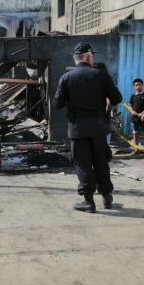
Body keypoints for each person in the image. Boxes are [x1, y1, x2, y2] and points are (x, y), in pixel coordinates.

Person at [53, 42, 122, 213]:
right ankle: (107, 197)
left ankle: (88, 201)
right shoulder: (102, 75)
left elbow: (57, 104)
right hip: (99, 127)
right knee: (101, 161)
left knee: (82, 164)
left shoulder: (67, 78)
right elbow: (117, 98)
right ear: (89, 56)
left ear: (75, 58)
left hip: (78, 128)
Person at [128, 79, 144, 155]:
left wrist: (143, 113)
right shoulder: (133, 96)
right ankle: (136, 149)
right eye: (136, 85)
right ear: (134, 87)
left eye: (139, 84)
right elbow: (130, 105)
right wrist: (132, 111)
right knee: (135, 133)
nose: (137, 86)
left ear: (142, 85)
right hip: (135, 118)